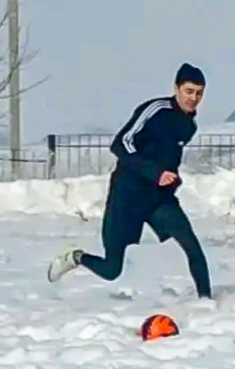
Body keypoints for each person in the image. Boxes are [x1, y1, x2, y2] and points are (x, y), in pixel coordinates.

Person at [46, 63, 213, 299]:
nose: (193, 98)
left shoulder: (189, 126)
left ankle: (206, 301)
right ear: (176, 88)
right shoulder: (155, 109)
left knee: (192, 245)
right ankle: (75, 257)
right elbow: (121, 143)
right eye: (189, 91)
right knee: (112, 269)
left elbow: (168, 159)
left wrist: (171, 180)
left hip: (158, 199)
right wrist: (155, 173)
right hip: (128, 196)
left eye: (199, 93)